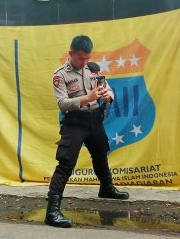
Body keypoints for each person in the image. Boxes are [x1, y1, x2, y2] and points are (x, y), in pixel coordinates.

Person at [46, 35, 130, 228]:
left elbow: (108, 89)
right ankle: (52, 211)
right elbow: (62, 104)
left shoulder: (93, 69)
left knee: (101, 154)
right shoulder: (60, 75)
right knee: (66, 162)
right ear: (71, 53)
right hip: (75, 122)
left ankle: (106, 188)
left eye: (87, 58)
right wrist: (87, 98)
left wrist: (108, 95)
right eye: (80, 58)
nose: (84, 62)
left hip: (94, 120)